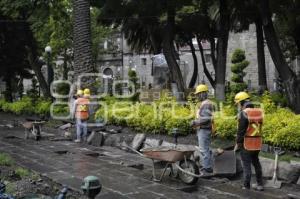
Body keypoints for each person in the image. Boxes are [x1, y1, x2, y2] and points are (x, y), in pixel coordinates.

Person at [234, 91, 264, 191]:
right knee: (256, 163)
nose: (238, 106)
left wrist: (238, 143)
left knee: (246, 165)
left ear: (242, 103)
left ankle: (246, 186)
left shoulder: (244, 113)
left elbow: (241, 131)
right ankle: (260, 184)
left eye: (238, 104)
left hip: (246, 144)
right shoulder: (259, 112)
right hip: (257, 143)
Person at [191, 84, 215, 175]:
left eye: (198, 94)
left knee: (204, 149)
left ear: (202, 94)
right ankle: (208, 166)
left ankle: (207, 169)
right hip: (204, 129)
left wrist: (195, 123)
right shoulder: (206, 103)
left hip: (204, 130)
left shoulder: (206, 104)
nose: (197, 96)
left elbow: (206, 119)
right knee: (206, 149)